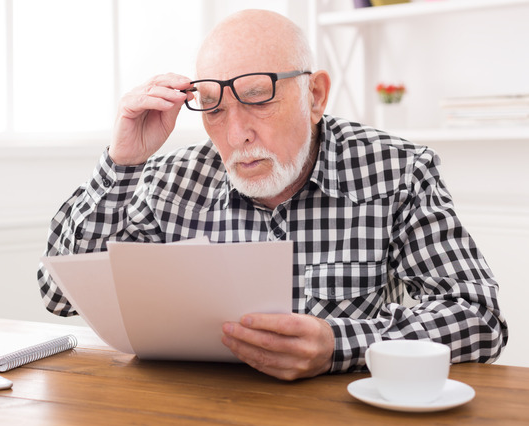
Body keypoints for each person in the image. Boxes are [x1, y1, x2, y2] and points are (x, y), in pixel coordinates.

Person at [36, 9, 507, 381]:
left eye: (258, 97)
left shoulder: (397, 171)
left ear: (315, 96)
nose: (237, 133)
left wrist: (340, 345)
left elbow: (479, 318)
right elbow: (58, 295)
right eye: (214, 108)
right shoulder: (166, 180)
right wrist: (123, 163)